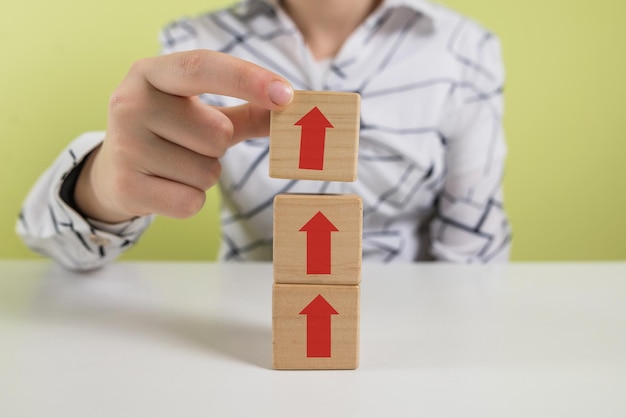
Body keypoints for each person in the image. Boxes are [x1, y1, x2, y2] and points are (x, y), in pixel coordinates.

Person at [16, 0, 512, 271]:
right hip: (250, 339)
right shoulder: (194, 44)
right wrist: (103, 186)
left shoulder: (465, 49)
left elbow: (475, 253)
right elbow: (58, 254)